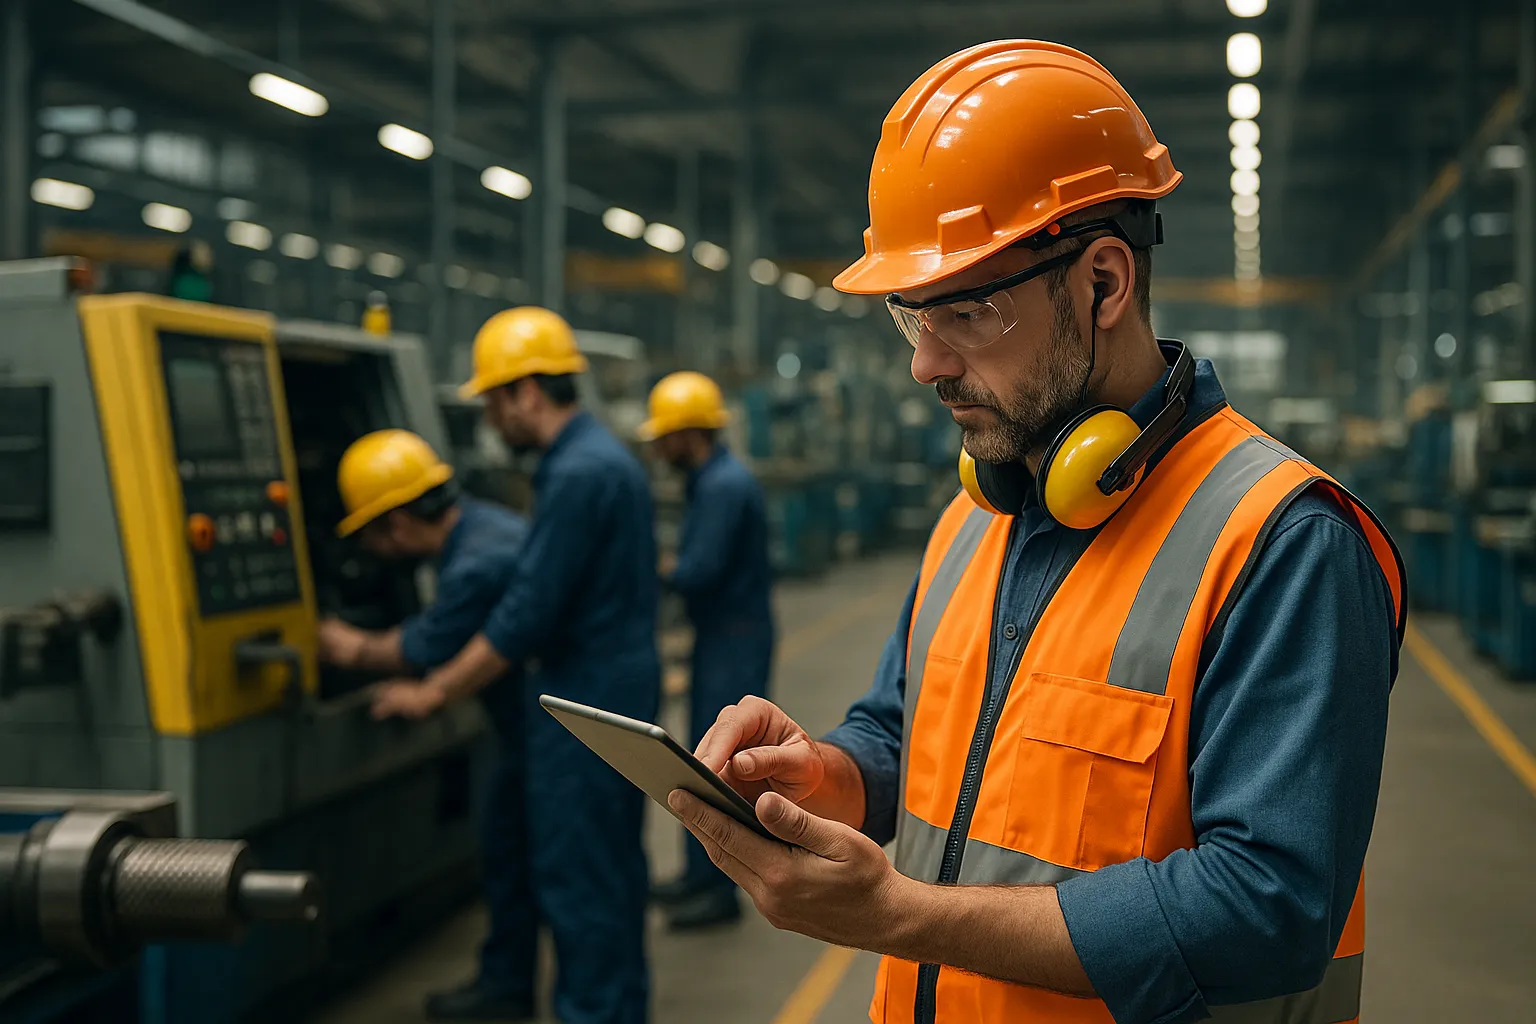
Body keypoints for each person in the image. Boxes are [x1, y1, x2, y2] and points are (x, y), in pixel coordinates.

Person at [666, 40, 1406, 1024]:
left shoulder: (1282, 541)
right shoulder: (976, 518)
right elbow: (905, 732)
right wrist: (830, 774)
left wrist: (902, 914)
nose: (925, 365)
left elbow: (1268, 907)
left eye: (964, 313)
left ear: (1103, 285)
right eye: (909, 317)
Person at [370, 306, 658, 1024]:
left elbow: (526, 615)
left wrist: (435, 688)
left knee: (581, 880)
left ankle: (596, 1012)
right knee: (610, 873)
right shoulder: (596, 459)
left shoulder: (578, 474)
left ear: (528, 393)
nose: (492, 423)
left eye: (495, 402)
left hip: (584, 707)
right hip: (611, 691)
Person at [313, 429, 537, 1022]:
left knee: (515, 852)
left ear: (397, 523)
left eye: (371, 535)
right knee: (513, 849)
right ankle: (506, 981)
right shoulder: (484, 524)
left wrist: (343, 645)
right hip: (526, 721)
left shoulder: (475, 564)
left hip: (532, 729)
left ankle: (508, 988)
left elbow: (424, 645)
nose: (372, 551)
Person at [638, 371, 775, 930]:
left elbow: (699, 570)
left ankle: (718, 892)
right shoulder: (712, 478)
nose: (658, 448)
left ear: (687, 433)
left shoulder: (722, 486)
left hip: (733, 640)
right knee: (701, 756)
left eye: (664, 436)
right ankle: (698, 874)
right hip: (724, 635)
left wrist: (656, 567)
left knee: (716, 768)